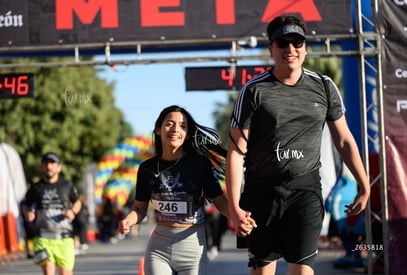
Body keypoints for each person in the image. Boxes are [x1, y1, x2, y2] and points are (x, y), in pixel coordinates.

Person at [225, 15, 371, 275]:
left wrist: (363, 184)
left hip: (305, 192)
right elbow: (236, 151)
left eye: (297, 42)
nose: (290, 49)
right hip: (261, 194)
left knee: (303, 271)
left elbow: (344, 140)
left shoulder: (325, 86)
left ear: (305, 47)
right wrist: (235, 206)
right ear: (271, 49)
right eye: (283, 43)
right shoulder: (253, 91)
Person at [118, 105, 255, 275]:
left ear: (188, 134)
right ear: (158, 129)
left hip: (192, 247)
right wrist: (128, 220)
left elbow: (219, 201)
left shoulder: (199, 164)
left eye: (182, 126)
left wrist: (237, 216)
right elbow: (139, 208)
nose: (175, 129)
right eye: (169, 124)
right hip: (159, 248)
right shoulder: (147, 168)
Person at [22, 152, 81, 275]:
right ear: (41, 167)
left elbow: (77, 202)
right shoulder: (36, 188)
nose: (49, 166)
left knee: (65, 272)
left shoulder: (67, 185)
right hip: (42, 237)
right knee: (49, 270)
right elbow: (25, 205)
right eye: (45, 163)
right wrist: (28, 214)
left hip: (64, 237)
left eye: (52, 163)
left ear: (59, 167)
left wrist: (72, 212)